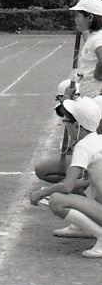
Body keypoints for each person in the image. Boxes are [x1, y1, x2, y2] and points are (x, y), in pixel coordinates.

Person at [30, 97, 102, 257]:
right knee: (66, 190)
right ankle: (83, 228)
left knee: (56, 200)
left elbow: (67, 186)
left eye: (67, 122)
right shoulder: (98, 140)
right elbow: (87, 181)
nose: (65, 124)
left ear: (77, 126)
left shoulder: (84, 146)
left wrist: (42, 193)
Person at [70, 0, 102, 98]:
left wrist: (97, 75)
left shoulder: (98, 38)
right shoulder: (94, 36)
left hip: (95, 93)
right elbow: (87, 37)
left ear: (90, 18)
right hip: (90, 92)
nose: (75, 19)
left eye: (78, 16)